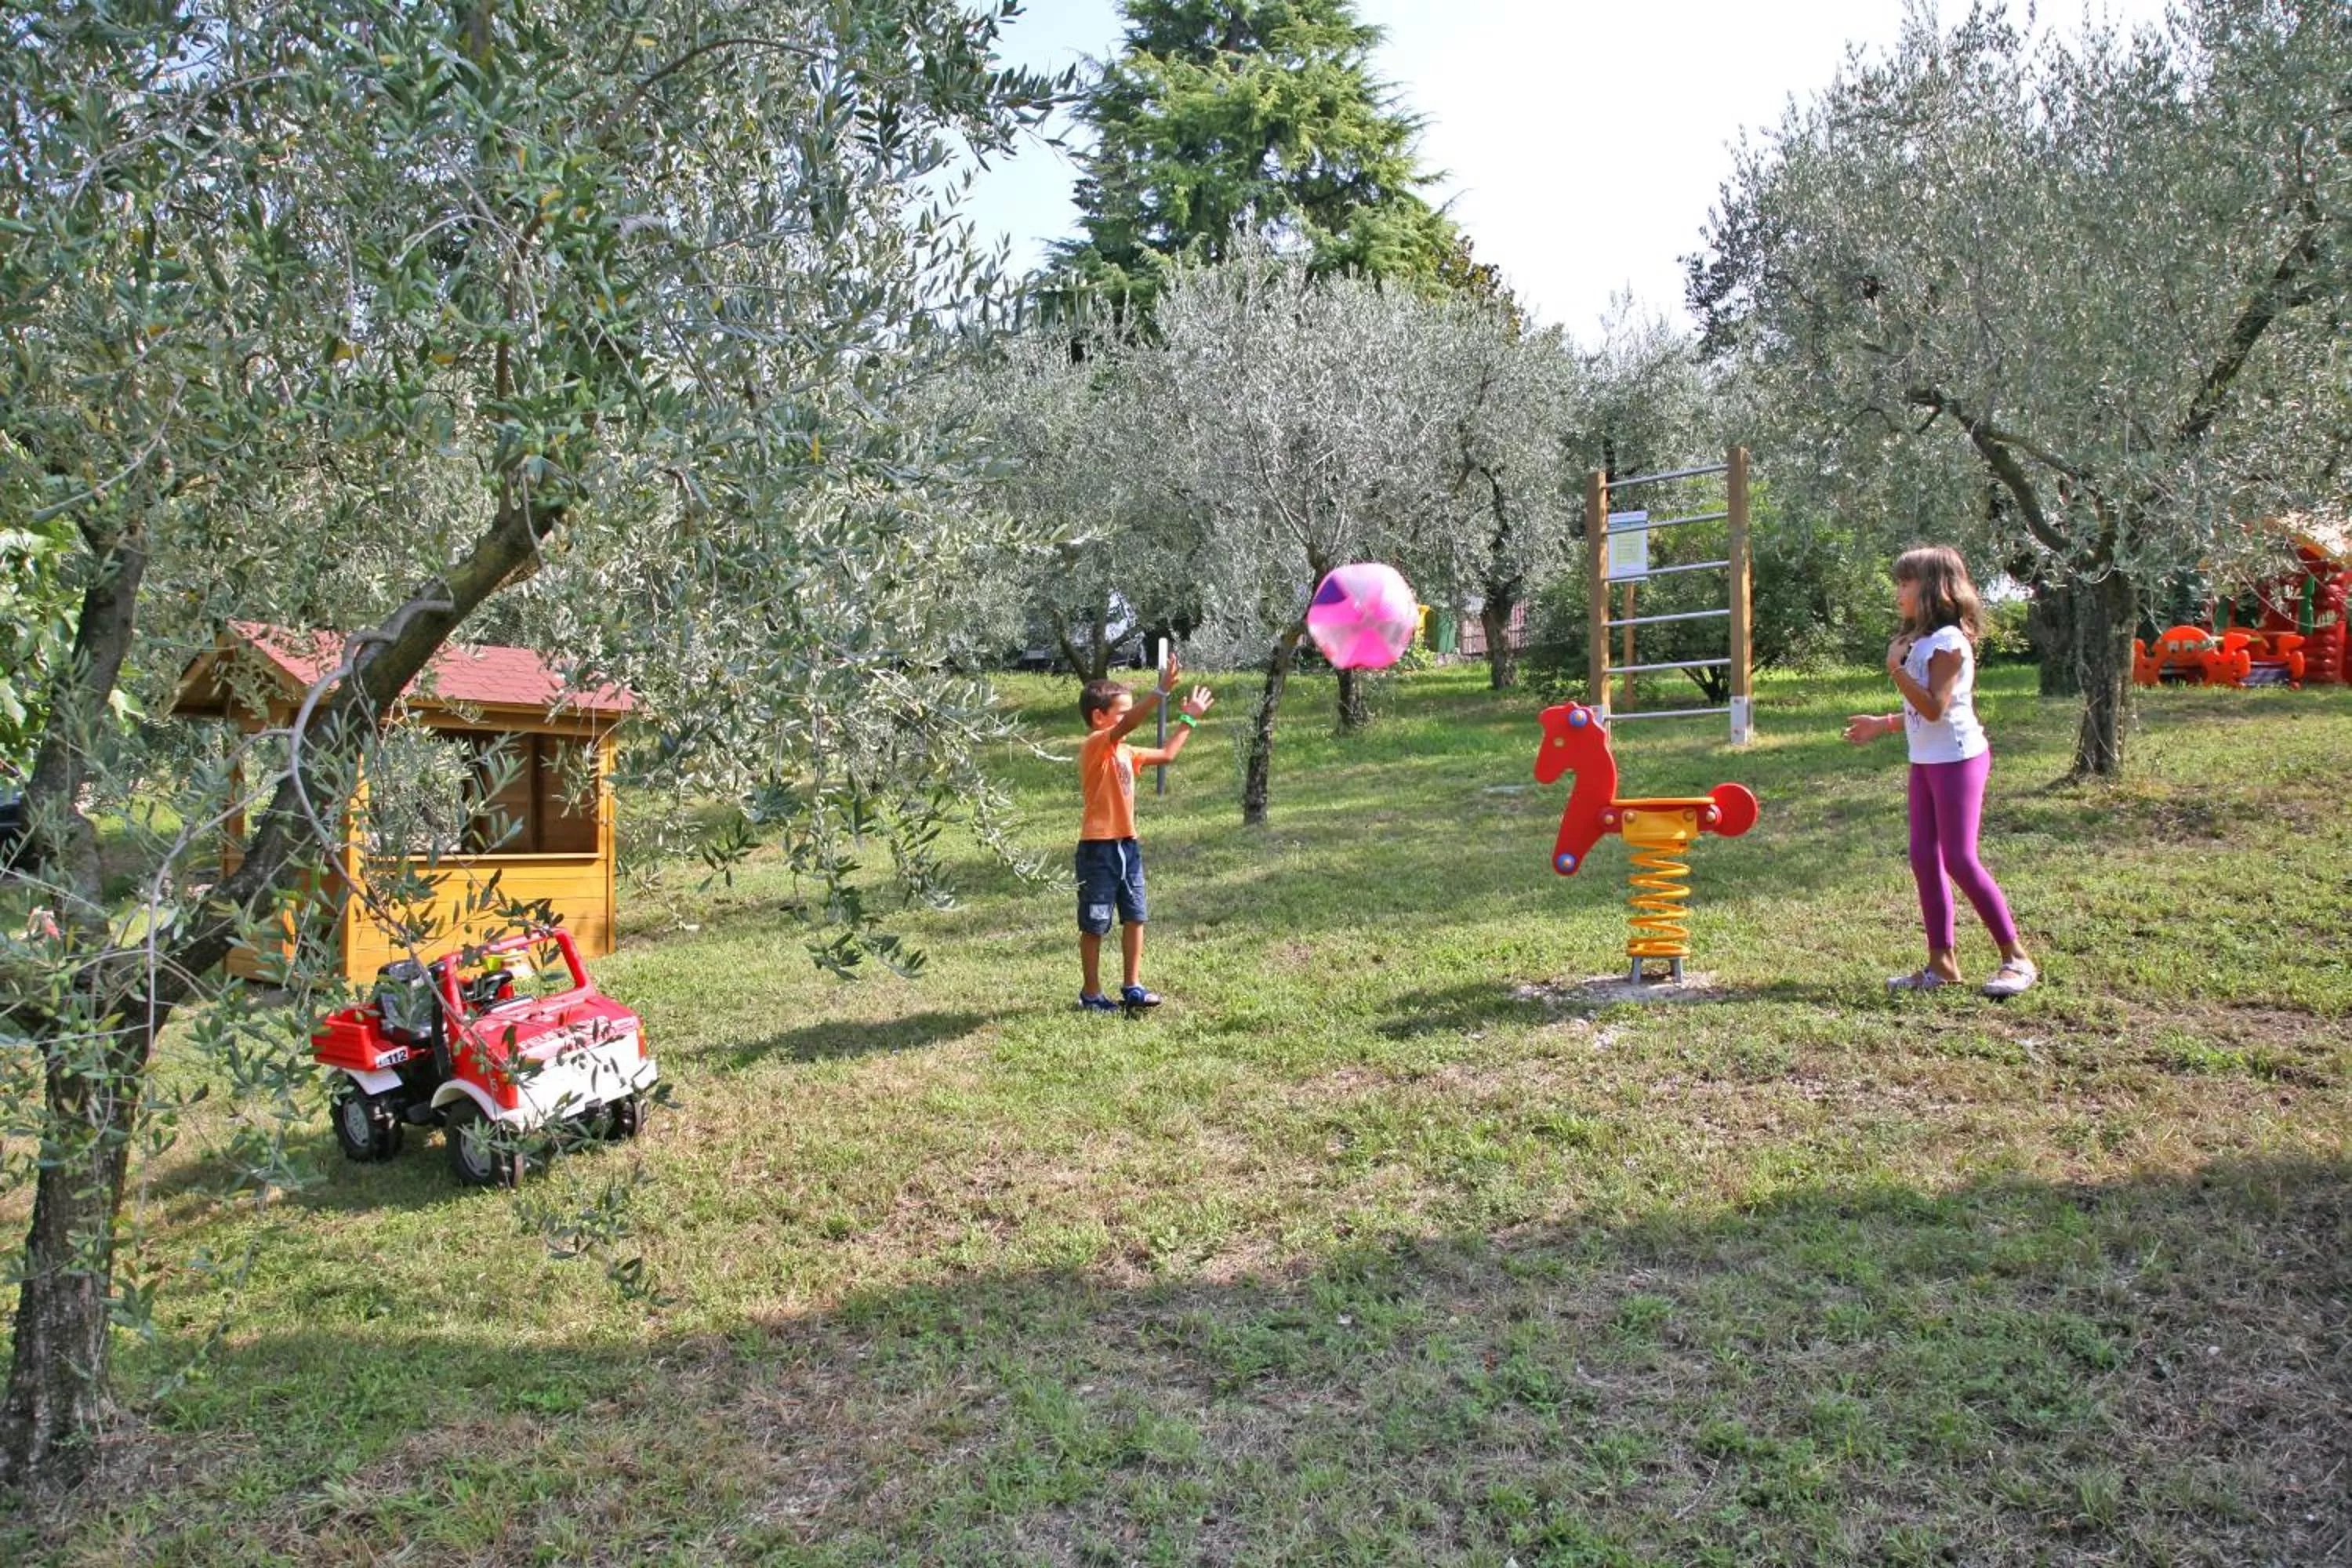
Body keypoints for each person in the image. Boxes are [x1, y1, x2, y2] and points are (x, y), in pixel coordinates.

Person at [1845, 546, 2037, 997]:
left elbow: (1935, 709)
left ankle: (2017, 959)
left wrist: (1895, 670)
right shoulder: (1921, 641)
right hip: (1927, 763)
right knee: (1923, 858)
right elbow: (1919, 710)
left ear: (1932, 588)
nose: (1898, 592)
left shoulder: (1949, 642)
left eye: (1905, 583)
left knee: (1960, 859)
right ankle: (1942, 965)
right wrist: (1883, 724)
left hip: (1958, 760)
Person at [1074, 649, 1214, 1012]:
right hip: (1097, 850)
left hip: (1128, 847)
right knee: (1095, 924)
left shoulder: (1127, 752)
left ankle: (1132, 986)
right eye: (1121, 711)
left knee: (1135, 916)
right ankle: (1091, 994)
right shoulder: (1096, 744)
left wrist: (1189, 720)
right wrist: (1160, 692)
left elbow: (1167, 755)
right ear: (1099, 717)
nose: (1127, 718)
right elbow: (1129, 725)